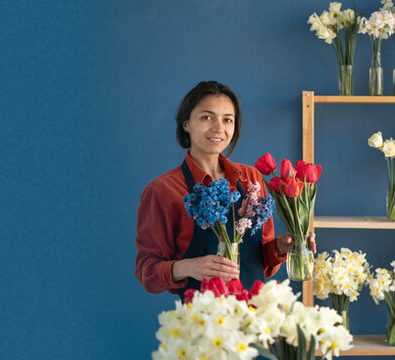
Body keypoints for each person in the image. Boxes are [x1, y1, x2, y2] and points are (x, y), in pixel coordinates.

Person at [134, 80, 315, 298]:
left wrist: (281, 247)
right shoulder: (163, 190)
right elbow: (147, 272)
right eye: (207, 117)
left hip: (256, 311)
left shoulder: (251, 179)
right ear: (186, 124)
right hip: (203, 315)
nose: (218, 128)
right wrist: (187, 267)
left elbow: (261, 261)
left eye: (227, 120)